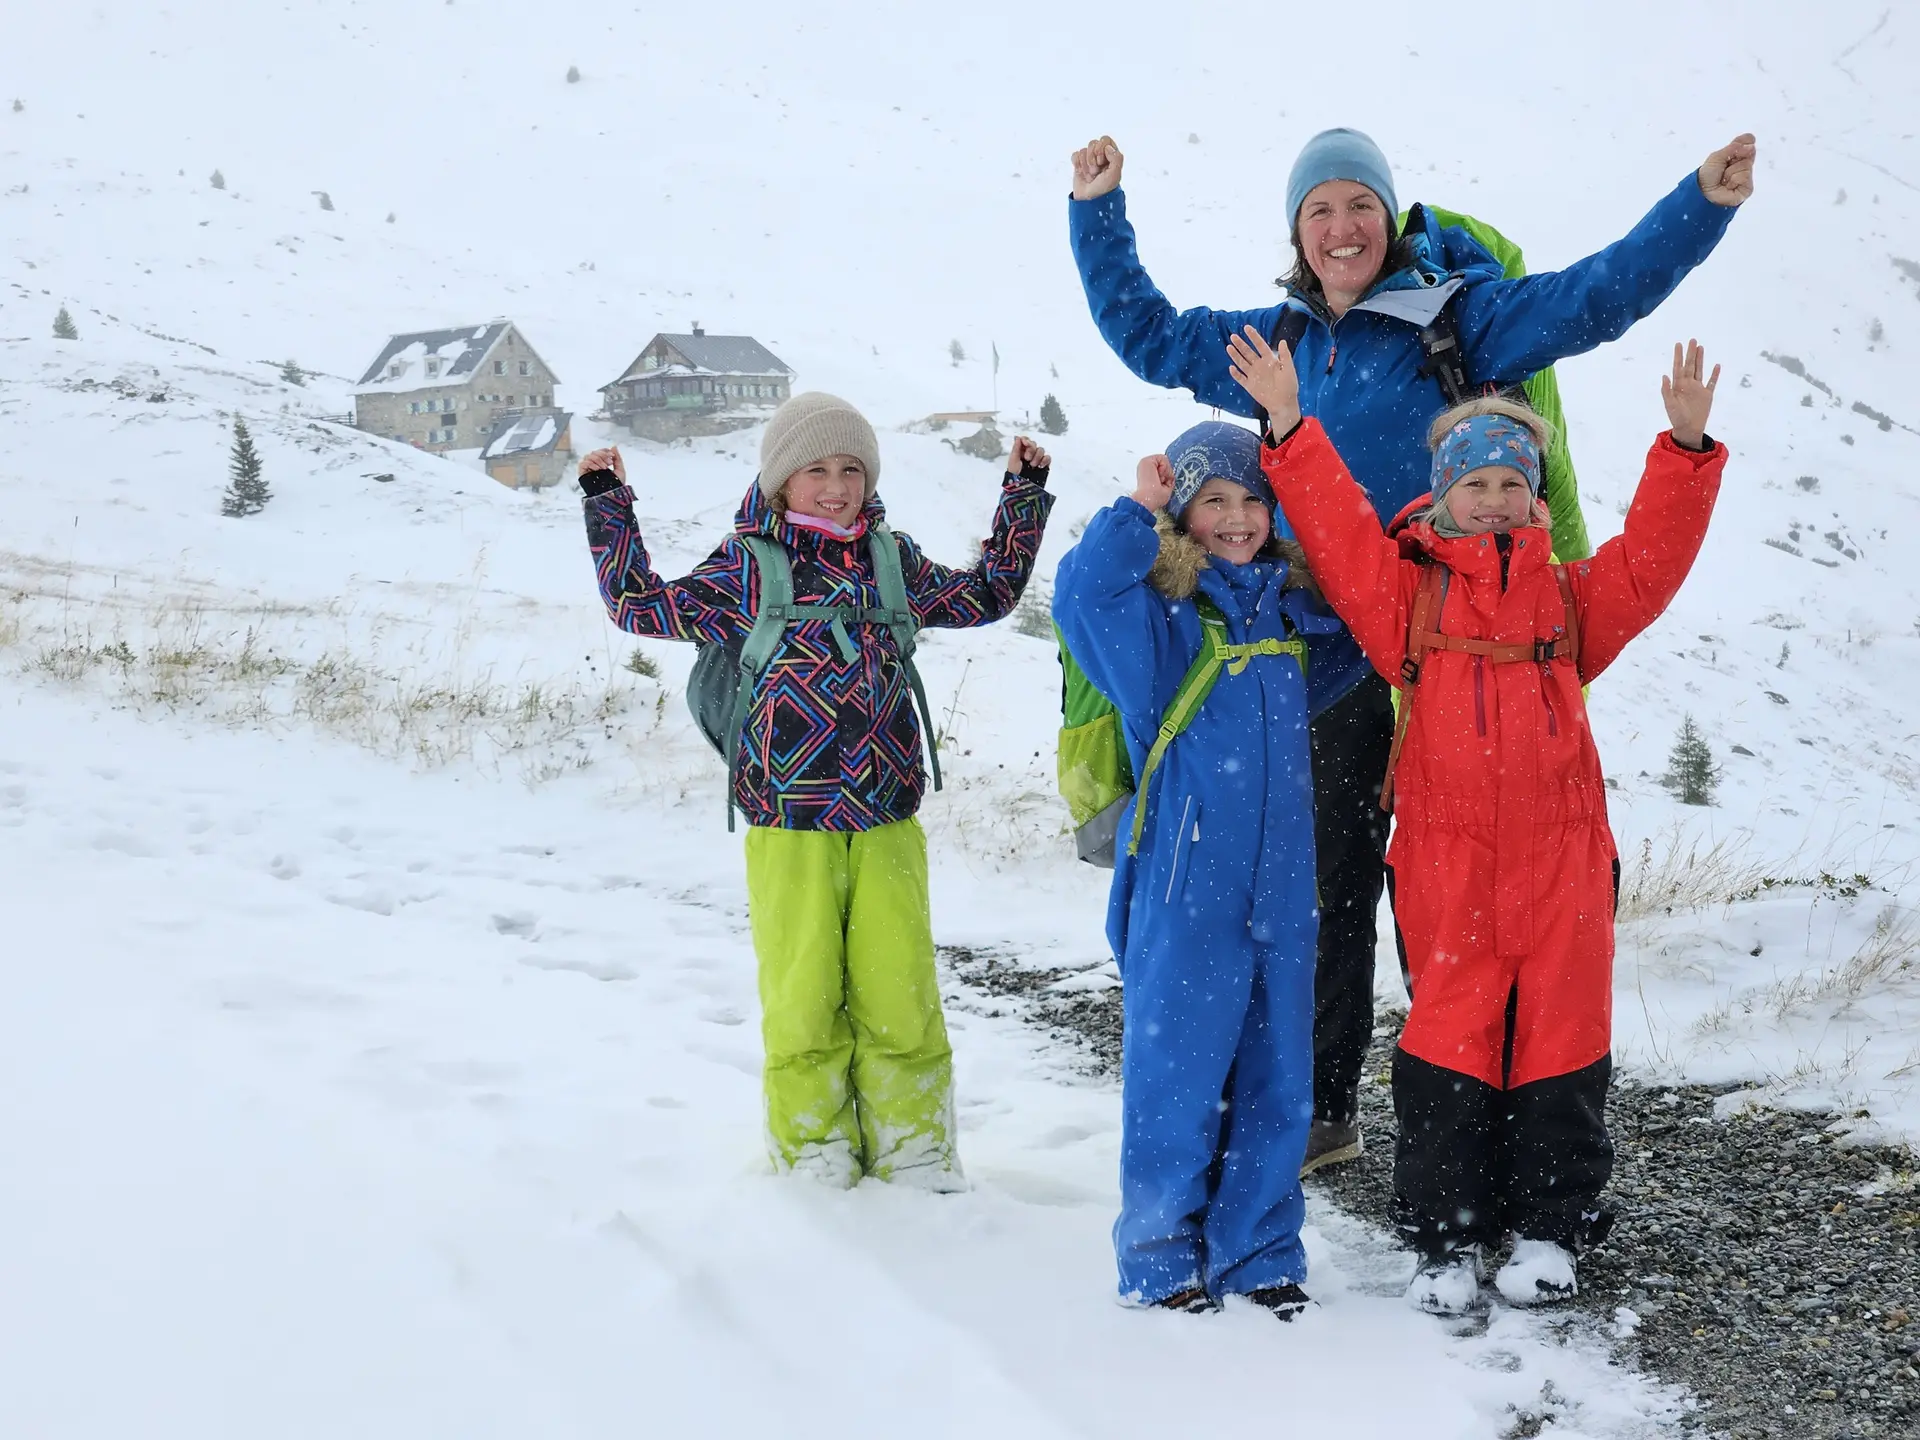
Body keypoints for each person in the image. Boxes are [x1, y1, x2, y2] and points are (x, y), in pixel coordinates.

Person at [1066, 126, 1756, 1170]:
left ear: (1389, 218)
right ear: (1298, 231)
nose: (1342, 228)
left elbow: (1597, 296)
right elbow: (1149, 334)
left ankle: (1479, 1105)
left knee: (1423, 883)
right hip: (1312, 648)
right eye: (1320, 211)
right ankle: (1325, 1107)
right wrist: (1098, 211)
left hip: (1438, 643)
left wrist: (1700, 204)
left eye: (1359, 206)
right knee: (1316, 881)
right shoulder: (1275, 341)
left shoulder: (1460, 319)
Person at [1228, 324, 1726, 1313]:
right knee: (1448, 1041)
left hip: (1564, 860)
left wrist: (1684, 453)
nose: (1494, 498)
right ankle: (1447, 1243)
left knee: (1561, 1037)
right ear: (1446, 495)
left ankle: (1549, 1229)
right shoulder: (1406, 596)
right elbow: (1332, 527)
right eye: (1476, 483)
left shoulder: (1573, 601)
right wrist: (1287, 425)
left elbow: (1652, 564)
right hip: (1447, 857)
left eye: (1511, 482)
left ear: (1535, 499)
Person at [578, 392, 1054, 1188]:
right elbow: (638, 605)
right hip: (787, 823)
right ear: (779, 481)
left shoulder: (889, 559)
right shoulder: (746, 565)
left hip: (885, 818)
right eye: (815, 469)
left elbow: (987, 596)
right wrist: (608, 505)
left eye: (851, 469)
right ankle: (813, 1154)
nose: (835, 486)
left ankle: (917, 1152)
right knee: (803, 1001)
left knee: (901, 996)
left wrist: (1023, 500)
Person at [1053, 421, 1347, 1317]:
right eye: (1212, 499)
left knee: (1276, 1077)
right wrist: (1135, 509)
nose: (1236, 517)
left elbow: (1370, 627)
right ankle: (1157, 1255)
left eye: (1253, 498)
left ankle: (1259, 1251)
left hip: (1283, 886)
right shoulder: (1156, 619)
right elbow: (1079, 593)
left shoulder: (1297, 618)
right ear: (1183, 513)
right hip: (1183, 884)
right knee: (1176, 1078)